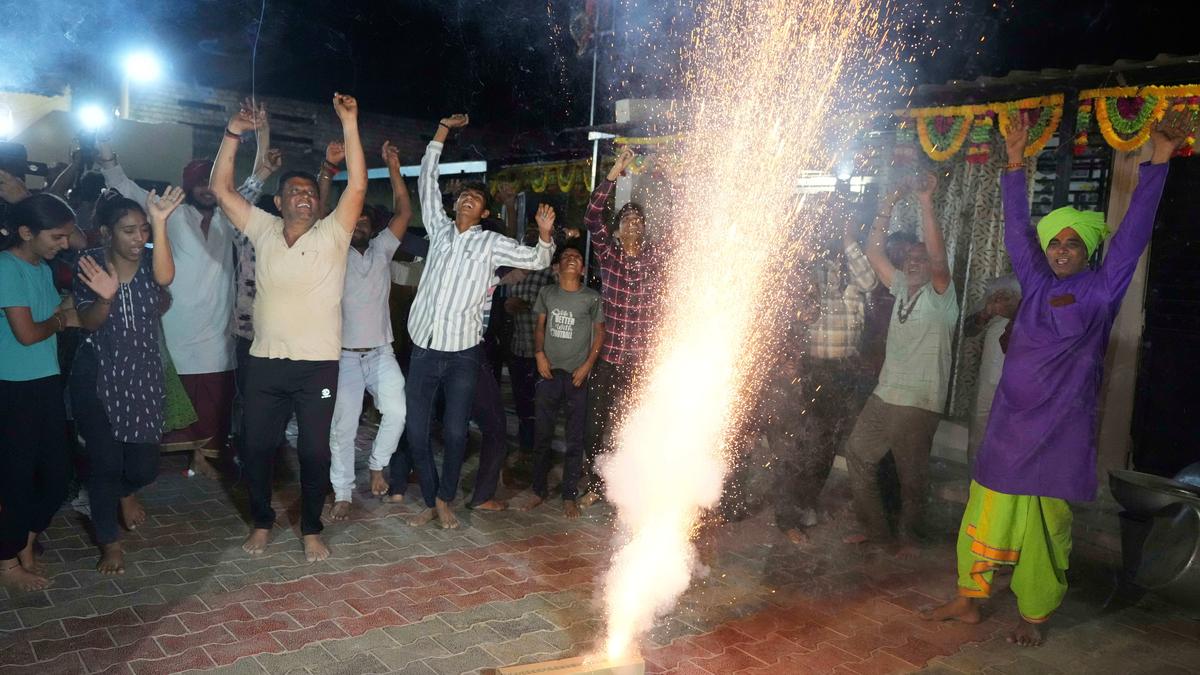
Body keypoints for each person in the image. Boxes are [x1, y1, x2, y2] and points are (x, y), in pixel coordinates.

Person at [921, 110, 1189, 646]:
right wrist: (1016, 160)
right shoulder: (1036, 282)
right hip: (1009, 425)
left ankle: (1034, 615)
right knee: (986, 511)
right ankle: (971, 597)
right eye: (1055, 243)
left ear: (1087, 249)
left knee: (1045, 530)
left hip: (1058, 433)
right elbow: (1017, 227)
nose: (1061, 249)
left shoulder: (1101, 289)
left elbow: (1133, 236)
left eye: (1072, 243)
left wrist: (1159, 159)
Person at [210, 94, 367, 562]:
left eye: (311, 192)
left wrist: (350, 123)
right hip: (264, 366)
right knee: (256, 447)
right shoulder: (261, 228)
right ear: (279, 202)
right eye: (295, 190)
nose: (305, 195)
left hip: (317, 372)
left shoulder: (333, 234)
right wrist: (233, 132)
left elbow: (357, 186)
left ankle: (311, 528)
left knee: (315, 452)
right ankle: (261, 521)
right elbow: (222, 189)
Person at [96, 116, 278, 477]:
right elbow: (122, 183)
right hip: (174, 322)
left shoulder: (231, 217)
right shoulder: (170, 213)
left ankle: (202, 457)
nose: (207, 189)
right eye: (200, 183)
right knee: (174, 389)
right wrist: (105, 151)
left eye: (211, 183)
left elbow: (257, 179)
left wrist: (265, 133)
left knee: (215, 394)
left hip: (217, 324)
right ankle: (164, 457)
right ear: (189, 185)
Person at [405, 113, 554, 529]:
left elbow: (539, 259)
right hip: (424, 348)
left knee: (455, 433)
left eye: (476, 198)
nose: (468, 199)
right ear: (455, 205)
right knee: (416, 431)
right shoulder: (437, 228)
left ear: (485, 210)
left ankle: (445, 498)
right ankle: (433, 498)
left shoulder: (491, 243)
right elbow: (426, 179)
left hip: (463, 354)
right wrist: (441, 131)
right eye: (464, 196)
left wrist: (544, 234)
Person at [844, 171, 959, 559]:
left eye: (920, 258)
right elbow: (875, 253)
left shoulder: (941, 296)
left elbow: (939, 257)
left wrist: (925, 201)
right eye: (910, 257)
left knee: (912, 478)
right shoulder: (899, 289)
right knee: (858, 455)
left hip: (918, 401)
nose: (914, 262)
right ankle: (879, 533)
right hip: (885, 393)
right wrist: (888, 203)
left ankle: (909, 537)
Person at [70, 187, 182, 574]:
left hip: (145, 375)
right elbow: (88, 322)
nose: (138, 239)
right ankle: (109, 542)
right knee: (104, 463)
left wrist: (161, 223)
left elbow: (166, 278)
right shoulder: (89, 263)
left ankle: (124, 491)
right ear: (106, 232)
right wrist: (104, 297)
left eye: (143, 230)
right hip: (99, 374)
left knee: (144, 467)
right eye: (128, 230)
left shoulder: (154, 258)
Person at [327, 140, 412, 520]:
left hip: (381, 353)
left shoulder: (381, 248)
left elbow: (404, 210)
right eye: (354, 218)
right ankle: (342, 491)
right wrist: (329, 170)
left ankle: (377, 465)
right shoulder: (331, 249)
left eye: (364, 218)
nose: (359, 222)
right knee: (342, 427)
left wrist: (393, 165)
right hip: (343, 357)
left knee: (396, 411)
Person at [0, 194, 78, 591]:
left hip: (45, 381)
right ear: (27, 232)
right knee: (15, 477)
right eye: (57, 236)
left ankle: (25, 542)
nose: (64, 244)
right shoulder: (6, 267)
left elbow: (55, 315)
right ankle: (6, 563)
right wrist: (61, 321)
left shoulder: (42, 269)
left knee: (56, 475)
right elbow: (29, 333)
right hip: (12, 387)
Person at [789, 205, 878, 541]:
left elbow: (869, 281)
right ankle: (792, 510)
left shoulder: (858, 273)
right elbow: (801, 300)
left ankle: (810, 503)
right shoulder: (819, 267)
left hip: (844, 369)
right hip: (814, 367)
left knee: (834, 443)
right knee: (806, 440)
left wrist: (848, 239)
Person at [579, 147, 663, 506]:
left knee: (635, 426)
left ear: (643, 229)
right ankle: (597, 485)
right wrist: (615, 171)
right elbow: (591, 217)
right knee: (596, 426)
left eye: (638, 220)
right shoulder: (608, 255)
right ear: (618, 228)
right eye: (626, 219)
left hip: (641, 363)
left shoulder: (654, 258)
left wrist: (667, 177)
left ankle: (632, 489)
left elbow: (683, 230)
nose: (632, 223)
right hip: (609, 358)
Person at [521, 242, 604, 519]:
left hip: (577, 376)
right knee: (542, 434)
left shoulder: (591, 298)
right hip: (549, 372)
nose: (571, 259)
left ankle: (569, 494)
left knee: (574, 438)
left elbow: (600, 334)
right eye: (566, 256)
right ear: (557, 267)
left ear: (582, 268)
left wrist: (587, 366)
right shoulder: (548, 293)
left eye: (577, 257)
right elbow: (540, 327)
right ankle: (538, 489)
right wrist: (539, 354)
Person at [962, 274, 1021, 471]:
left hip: (1023, 382)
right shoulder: (1002, 285)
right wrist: (986, 313)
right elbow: (968, 329)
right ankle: (975, 492)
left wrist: (1016, 309)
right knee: (978, 443)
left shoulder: (1051, 285)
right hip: (990, 378)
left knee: (1014, 444)